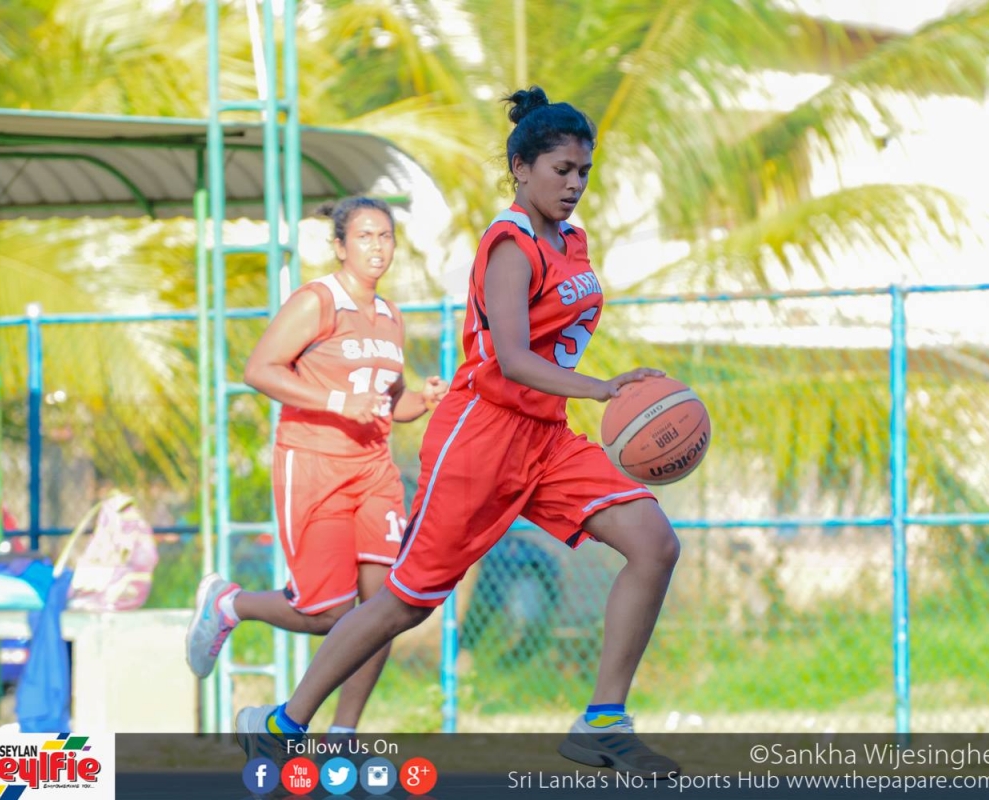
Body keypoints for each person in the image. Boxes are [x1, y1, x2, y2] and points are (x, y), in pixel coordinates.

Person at [236, 86, 682, 777]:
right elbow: (513, 357)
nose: (574, 184)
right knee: (403, 605)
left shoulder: (573, 240)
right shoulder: (510, 244)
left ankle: (603, 722)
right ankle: (281, 723)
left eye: (584, 171)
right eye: (562, 169)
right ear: (521, 169)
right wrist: (603, 388)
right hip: (481, 438)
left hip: (546, 436)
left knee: (654, 544)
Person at [184, 196, 448, 736]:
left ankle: (342, 733)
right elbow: (260, 369)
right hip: (313, 465)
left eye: (385, 236)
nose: (377, 247)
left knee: (387, 604)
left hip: (373, 470)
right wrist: (336, 402)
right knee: (328, 612)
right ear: (340, 246)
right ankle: (231, 603)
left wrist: (422, 400)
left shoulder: (391, 316)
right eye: (364, 236)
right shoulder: (317, 301)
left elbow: (388, 401)